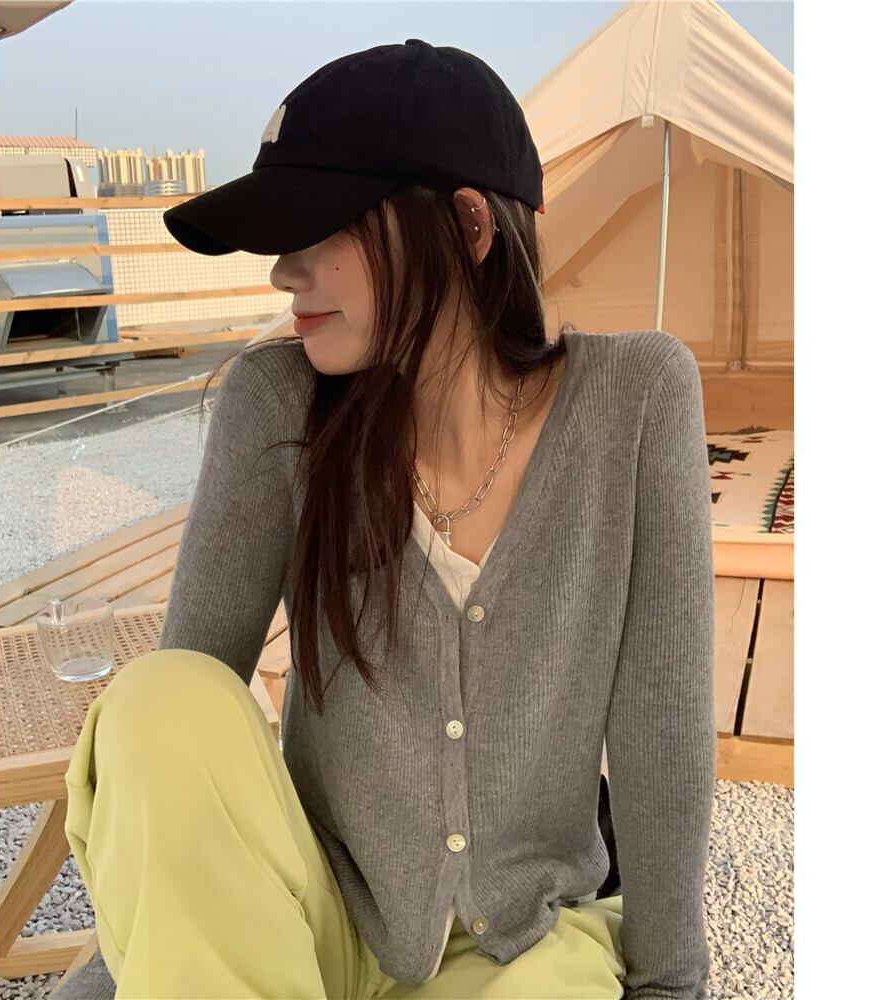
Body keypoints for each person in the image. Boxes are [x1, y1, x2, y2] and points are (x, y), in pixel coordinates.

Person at [64, 38, 716, 1000]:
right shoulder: (276, 404)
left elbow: (664, 731)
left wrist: (670, 983)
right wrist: (142, 943)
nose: (282, 272)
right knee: (158, 694)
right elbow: (178, 750)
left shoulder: (638, 398)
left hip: (523, 947)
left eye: (318, 227)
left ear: (467, 225)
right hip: (314, 926)